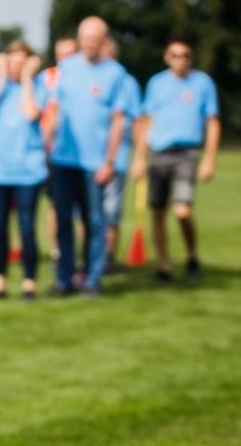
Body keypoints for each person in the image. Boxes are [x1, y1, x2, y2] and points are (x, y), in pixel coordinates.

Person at [48, 16, 127, 296]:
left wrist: (109, 161)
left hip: (95, 163)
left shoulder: (116, 73)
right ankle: (64, 278)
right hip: (63, 159)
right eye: (86, 38)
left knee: (95, 222)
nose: (90, 44)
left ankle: (92, 279)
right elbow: (54, 109)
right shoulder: (65, 68)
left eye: (96, 39)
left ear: (104, 41)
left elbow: (118, 120)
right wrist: (48, 143)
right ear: (80, 39)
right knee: (64, 220)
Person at [132, 37, 220, 284]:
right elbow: (147, 121)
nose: (180, 60)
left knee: (182, 210)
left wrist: (209, 159)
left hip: (187, 153)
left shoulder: (203, 83)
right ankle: (164, 265)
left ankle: (192, 255)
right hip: (159, 153)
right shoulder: (156, 84)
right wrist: (139, 157)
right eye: (175, 55)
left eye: (185, 56)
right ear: (167, 57)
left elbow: (212, 122)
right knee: (158, 212)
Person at [0, 38, 47, 300]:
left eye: (22, 62)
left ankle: (29, 283)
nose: (17, 67)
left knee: (27, 227)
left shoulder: (37, 86)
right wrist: (1, 77)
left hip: (28, 171)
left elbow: (31, 113)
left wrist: (28, 78)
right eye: (13, 62)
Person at [101, 37, 142, 271]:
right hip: (90, 159)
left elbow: (137, 120)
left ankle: (108, 256)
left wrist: (139, 157)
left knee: (110, 211)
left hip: (118, 157)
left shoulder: (127, 82)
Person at [40, 37, 78, 266]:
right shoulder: (46, 78)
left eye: (70, 54)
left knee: (83, 211)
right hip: (53, 153)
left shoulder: (85, 77)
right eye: (61, 54)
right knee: (56, 205)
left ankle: (80, 255)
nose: (65, 60)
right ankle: (58, 252)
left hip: (82, 156)